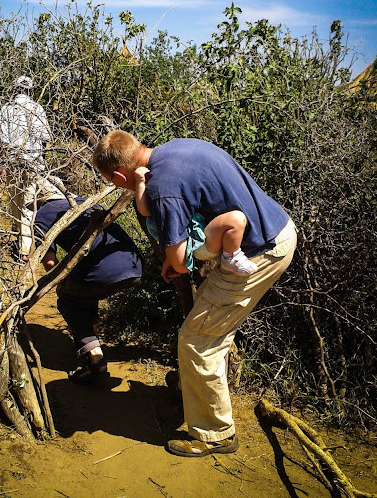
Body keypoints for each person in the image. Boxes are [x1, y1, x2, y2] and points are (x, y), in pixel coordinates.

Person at [93, 131, 296, 457]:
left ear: (119, 176)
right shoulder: (175, 149)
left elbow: (179, 261)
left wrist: (175, 257)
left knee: (198, 339)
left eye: (113, 182)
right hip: (276, 226)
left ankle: (216, 434)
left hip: (261, 251)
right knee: (208, 322)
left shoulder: (160, 190)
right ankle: (197, 390)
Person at [33, 198, 143, 381]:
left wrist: (61, 283)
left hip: (104, 270)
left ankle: (95, 359)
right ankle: (90, 340)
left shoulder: (40, 217)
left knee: (68, 299)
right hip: (135, 264)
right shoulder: (83, 202)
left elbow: (50, 263)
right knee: (86, 291)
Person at [134, 166, 257, 275]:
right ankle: (230, 258)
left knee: (235, 221)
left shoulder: (171, 189)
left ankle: (229, 254)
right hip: (199, 244)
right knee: (235, 220)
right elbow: (144, 210)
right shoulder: (159, 199)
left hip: (199, 240)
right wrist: (140, 183)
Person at [0, 75, 66, 261]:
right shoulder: (38, 108)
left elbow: (3, 141)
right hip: (33, 163)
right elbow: (46, 137)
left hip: (13, 162)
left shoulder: (6, 109)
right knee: (29, 205)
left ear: (15, 89)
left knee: (15, 202)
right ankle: (25, 249)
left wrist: (3, 166)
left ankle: (20, 241)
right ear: (30, 90)